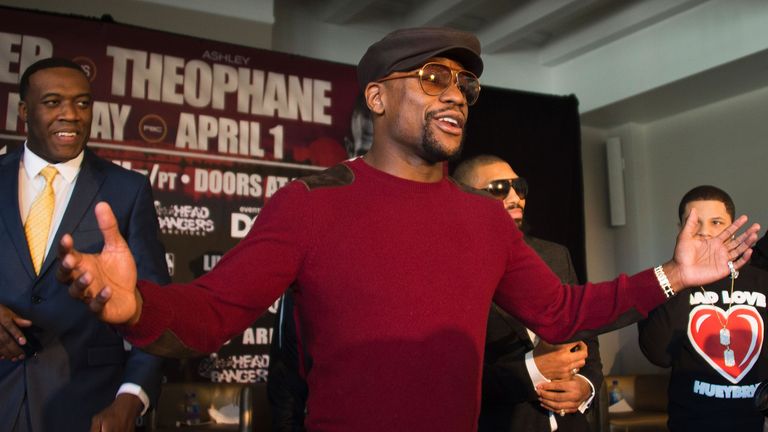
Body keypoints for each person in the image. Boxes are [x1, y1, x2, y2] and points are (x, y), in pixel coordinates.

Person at [58, 28, 758, 432]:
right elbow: (212, 315)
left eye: (465, 86)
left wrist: (674, 275)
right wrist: (139, 305)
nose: (456, 93)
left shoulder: (484, 220)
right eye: (434, 77)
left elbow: (562, 311)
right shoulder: (311, 202)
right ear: (376, 96)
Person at [0, 58, 169, 431]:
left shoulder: (127, 190)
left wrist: (131, 397)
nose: (71, 115)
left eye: (82, 103)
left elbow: (154, 304)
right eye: (53, 102)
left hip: (88, 406)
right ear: (25, 111)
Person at [453, 154, 602, 432]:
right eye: (499, 188)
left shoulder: (556, 256)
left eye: (519, 187)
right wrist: (533, 368)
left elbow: (587, 339)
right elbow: (453, 380)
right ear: (465, 199)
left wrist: (586, 386)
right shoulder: (450, 271)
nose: (515, 198)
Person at [638, 185, 768, 432]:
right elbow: (657, 354)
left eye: (717, 222)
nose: (705, 232)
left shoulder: (762, 279)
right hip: (691, 424)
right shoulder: (665, 281)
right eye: (694, 223)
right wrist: (682, 277)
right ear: (680, 230)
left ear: (732, 228)